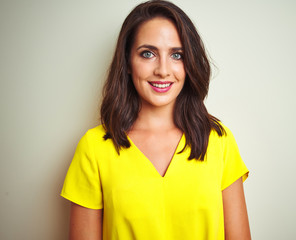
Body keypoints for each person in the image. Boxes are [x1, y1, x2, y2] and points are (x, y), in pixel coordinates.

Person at [61, 0, 250, 239]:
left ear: (189, 62)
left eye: (177, 55)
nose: (163, 69)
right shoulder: (94, 148)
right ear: (128, 62)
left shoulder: (219, 141)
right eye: (148, 54)